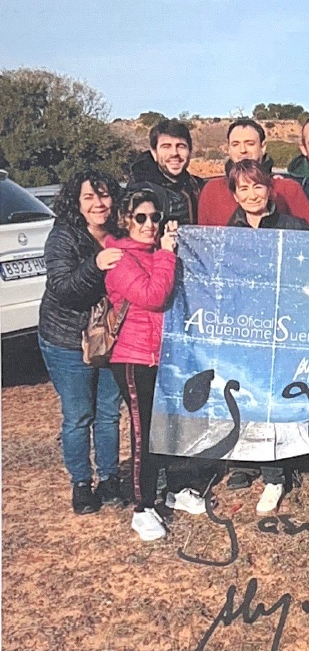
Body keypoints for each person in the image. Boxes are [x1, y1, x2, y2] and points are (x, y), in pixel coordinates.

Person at [225, 160, 309, 514]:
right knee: (267, 401)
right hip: (255, 333)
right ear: (235, 195)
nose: (252, 195)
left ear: (269, 188)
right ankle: (273, 477)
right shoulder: (229, 234)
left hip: (295, 329)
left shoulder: (293, 226)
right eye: (243, 188)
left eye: (257, 186)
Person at [106, 186, 206, 541]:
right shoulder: (119, 258)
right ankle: (142, 507)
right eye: (140, 218)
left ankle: (175, 490)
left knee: (173, 428)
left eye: (155, 218)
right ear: (125, 220)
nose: (149, 225)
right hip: (134, 359)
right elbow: (152, 295)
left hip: (167, 356)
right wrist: (166, 254)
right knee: (144, 434)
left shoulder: (158, 253)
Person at [38, 169, 124, 514]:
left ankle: (109, 478)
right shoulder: (63, 238)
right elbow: (65, 289)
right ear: (76, 202)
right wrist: (96, 264)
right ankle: (81, 483)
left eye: (104, 196)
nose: (99, 204)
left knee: (108, 413)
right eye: (89, 197)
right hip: (66, 340)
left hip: (110, 339)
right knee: (77, 416)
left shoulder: (120, 233)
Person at [198, 118, 309, 229]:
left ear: (263, 148)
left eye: (250, 144)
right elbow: (202, 243)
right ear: (228, 149)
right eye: (236, 144)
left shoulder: (289, 189)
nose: (243, 150)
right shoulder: (212, 191)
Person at [129, 118, 205, 225]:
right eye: (166, 146)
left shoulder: (197, 187)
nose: (174, 153)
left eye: (181, 146)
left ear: (190, 151)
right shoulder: (140, 191)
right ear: (154, 153)